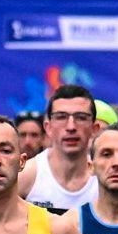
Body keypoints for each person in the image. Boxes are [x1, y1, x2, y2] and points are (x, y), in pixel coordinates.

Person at [21, 81, 101, 214]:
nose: (71, 127)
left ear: (94, 128)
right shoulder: (27, 177)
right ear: (48, 127)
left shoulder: (104, 179)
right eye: (61, 117)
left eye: (81, 117)